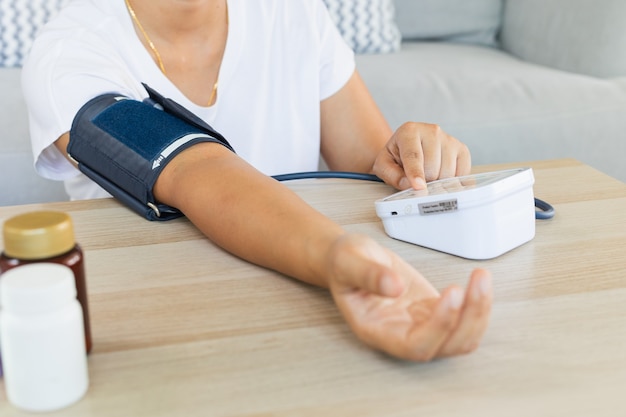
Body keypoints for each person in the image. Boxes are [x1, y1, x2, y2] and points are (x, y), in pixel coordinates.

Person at [22, 0, 492, 361]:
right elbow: (193, 170)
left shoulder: (293, 12)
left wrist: (411, 155)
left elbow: (368, 165)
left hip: (307, 311)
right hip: (164, 329)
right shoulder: (68, 55)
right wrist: (336, 257)